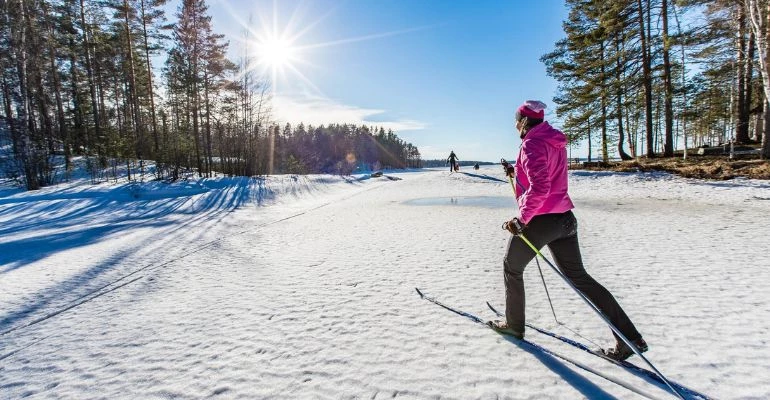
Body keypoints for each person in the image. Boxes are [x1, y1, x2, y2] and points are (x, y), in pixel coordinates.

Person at [488, 100, 647, 361]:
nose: (515, 125)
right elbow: (544, 176)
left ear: (525, 121)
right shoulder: (553, 141)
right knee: (580, 277)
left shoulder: (531, 144)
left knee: (511, 267)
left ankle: (514, 326)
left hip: (542, 220)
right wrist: (516, 172)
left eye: (517, 120)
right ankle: (630, 338)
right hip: (565, 219)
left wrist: (521, 220)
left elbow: (540, 189)